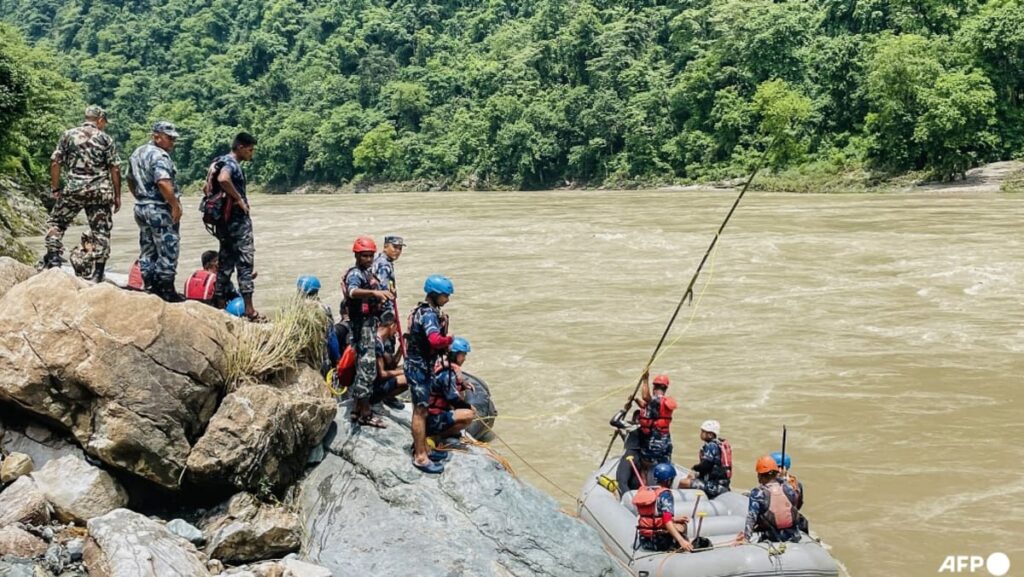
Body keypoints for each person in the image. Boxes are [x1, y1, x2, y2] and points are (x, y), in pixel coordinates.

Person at [45, 105, 121, 281]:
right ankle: (98, 273)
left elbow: (56, 163)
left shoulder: (68, 135)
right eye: (104, 122)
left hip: (74, 189)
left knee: (57, 222)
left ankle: (54, 259)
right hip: (99, 191)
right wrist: (117, 196)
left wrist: (55, 188)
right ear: (100, 120)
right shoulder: (105, 139)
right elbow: (115, 169)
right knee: (101, 230)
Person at [127, 121, 183, 302]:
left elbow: (129, 178)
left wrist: (140, 196)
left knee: (147, 247)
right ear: (157, 136)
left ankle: (150, 286)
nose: (172, 143)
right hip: (159, 208)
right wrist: (174, 205)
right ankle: (166, 291)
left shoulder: (137, 153)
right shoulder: (160, 156)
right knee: (168, 247)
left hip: (141, 206)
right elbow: (163, 182)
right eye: (170, 138)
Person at [405, 274, 455, 474]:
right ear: (435, 295)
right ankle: (420, 456)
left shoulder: (426, 311)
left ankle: (423, 447)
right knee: (420, 411)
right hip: (419, 369)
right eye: (445, 296)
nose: (447, 300)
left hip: (420, 366)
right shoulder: (428, 315)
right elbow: (434, 340)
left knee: (423, 410)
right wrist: (449, 340)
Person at [209, 132, 261, 320]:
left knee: (225, 262)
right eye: (250, 149)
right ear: (240, 147)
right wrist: (239, 199)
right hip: (237, 222)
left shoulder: (218, 161)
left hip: (223, 222)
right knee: (245, 263)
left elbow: (206, 187)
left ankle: (219, 302)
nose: (251, 153)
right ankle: (249, 309)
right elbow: (223, 179)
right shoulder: (231, 164)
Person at [343, 236, 393, 428]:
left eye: (371, 256)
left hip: (370, 323)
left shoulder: (369, 272)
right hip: (361, 327)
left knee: (364, 367)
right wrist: (374, 294)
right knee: (367, 368)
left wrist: (381, 297)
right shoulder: (355, 274)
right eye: (364, 256)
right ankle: (365, 413)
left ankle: (357, 408)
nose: (368, 259)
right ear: (357, 255)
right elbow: (352, 292)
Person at [736, 455, 803, 544]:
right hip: (793, 536)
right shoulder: (789, 487)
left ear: (760, 475)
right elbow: (796, 505)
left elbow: (751, 516)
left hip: (772, 537)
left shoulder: (758, 493)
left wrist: (746, 538)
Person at [633, 463, 693, 552]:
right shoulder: (665, 494)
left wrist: (674, 519)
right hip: (659, 542)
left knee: (676, 523)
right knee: (682, 526)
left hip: (645, 540)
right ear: (669, 480)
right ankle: (682, 547)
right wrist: (681, 541)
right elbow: (666, 521)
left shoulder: (648, 491)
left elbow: (653, 517)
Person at [426, 337, 476, 441]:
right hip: (433, 418)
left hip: (433, 413)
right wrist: (470, 407)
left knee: (463, 401)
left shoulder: (444, 366)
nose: (464, 358)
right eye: (463, 355)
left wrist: (462, 386)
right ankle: (438, 436)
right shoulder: (447, 374)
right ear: (456, 354)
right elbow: (453, 399)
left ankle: (444, 432)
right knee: (469, 414)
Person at [297, 275, 341, 374]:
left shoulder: (294, 310)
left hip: (303, 358)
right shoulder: (323, 309)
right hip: (321, 357)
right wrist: (337, 358)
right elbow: (331, 336)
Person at [679, 420, 732, 498]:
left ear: (710, 434)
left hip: (714, 486)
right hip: (721, 484)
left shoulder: (711, 446)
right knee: (691, 476)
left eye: (703, 432)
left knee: (683, 482)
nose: (701, 434)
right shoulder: (719, 444)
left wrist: (695, 468)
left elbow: (706, 465)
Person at [370, 307, 407, 410]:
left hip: (375, 382)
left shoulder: (377, 338)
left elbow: (391, 365)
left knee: (408, 369)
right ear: (392, 325)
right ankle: (384, 398)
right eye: (396, 328)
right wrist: (403, 372)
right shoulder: (377, 344)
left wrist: (401, 348)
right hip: (371, 390)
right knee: (409, 378)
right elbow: (382, 374)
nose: (396, 332)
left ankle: (387, 396)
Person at [636, 372, 677, 464]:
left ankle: (645, 477)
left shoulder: (657, 400)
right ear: (666, 388)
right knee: (665, 463)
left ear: (654, 387)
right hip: (666, 441)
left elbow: (646, 397)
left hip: (654, 441)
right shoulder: (665, 402)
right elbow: (648, 405)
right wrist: (635, 400)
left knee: (645, 464)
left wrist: (645, 380)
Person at [373, 235, 404, 320]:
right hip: (381, 309)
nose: (397, 251)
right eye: (394, 247)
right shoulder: (384, 264)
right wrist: (390, 312)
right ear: (385, 246)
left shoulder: (378, 258)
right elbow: (384, 290)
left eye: (400, 248)